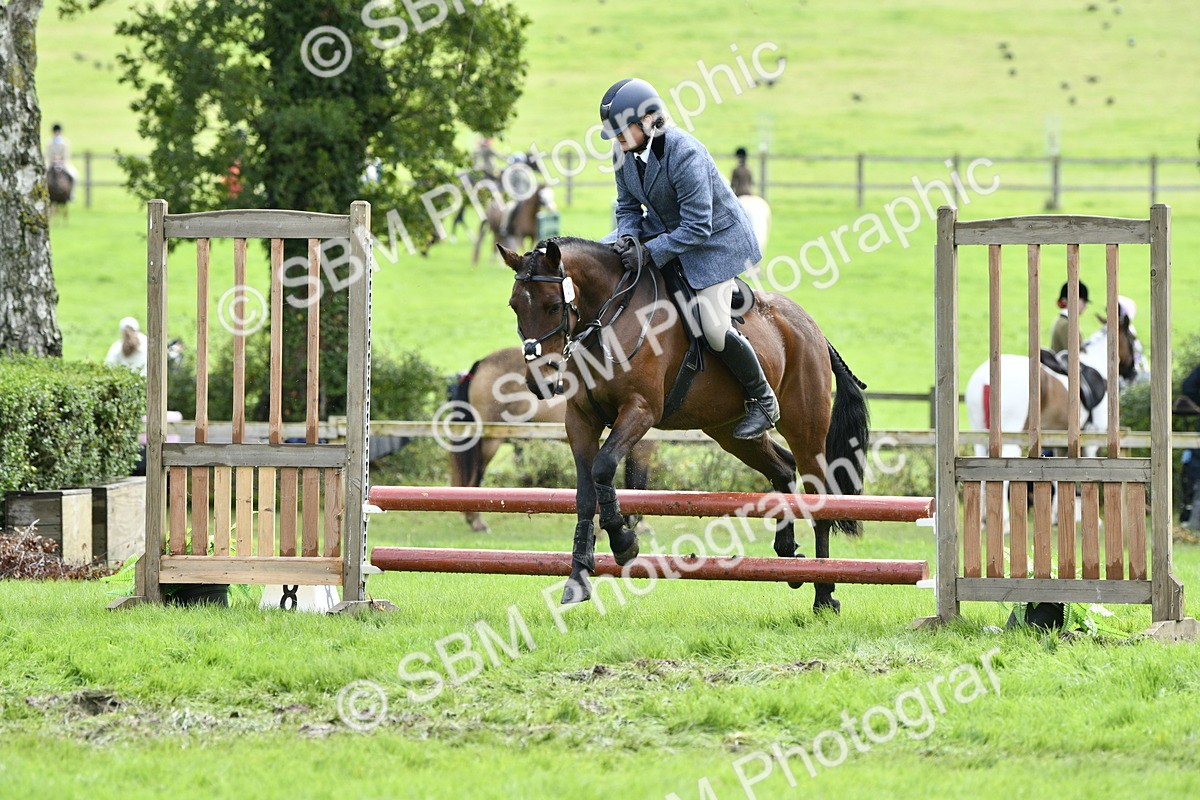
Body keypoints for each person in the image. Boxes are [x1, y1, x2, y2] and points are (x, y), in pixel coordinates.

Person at [600, 78, 772, 439]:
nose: (616, 139)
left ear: (648, 121)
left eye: (621, 130)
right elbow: (627, 206)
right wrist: (629, 239)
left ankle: (763, 399)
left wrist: (650, 251)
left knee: (712, 325)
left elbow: (697, 227)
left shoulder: (685, 152)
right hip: (663, 229)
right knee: (602, 257)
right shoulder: (624, 154)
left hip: (714, 242)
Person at [1049, 280, 1088, 354]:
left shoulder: (1061, 321)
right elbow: (1075, 354)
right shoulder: (1066, 325)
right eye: (1083, 301)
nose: (1085, 305)